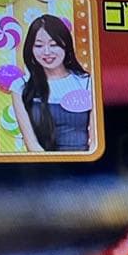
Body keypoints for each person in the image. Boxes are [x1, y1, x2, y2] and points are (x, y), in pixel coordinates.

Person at [11, 14, 93, 153]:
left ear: (66, 45)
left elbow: (95, 140)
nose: (47, 52)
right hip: (44, 164)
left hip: (85, 162)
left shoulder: (87, 82)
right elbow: (32, 145)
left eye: (54, 44)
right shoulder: (20, 86)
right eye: (39, 45)